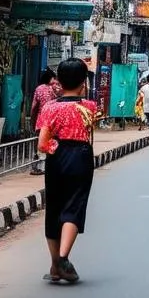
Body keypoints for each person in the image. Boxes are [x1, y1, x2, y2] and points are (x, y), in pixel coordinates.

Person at [36, 58, 97, 284]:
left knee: (54, 208)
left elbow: (42, 144)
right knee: (74, 205)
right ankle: (62, 259)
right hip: (81, 156)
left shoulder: (50, 108)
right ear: (83, 82)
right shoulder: (89, 107)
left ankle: (55, 265)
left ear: (58, 82)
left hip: (56, 157)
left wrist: (57, 149)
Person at [29, 68, 58, 175]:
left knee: (39, 144)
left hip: (41, 121)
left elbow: (34, 107)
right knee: (52, 143)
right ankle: (49, 166)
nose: (55, 80)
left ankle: (39, 167)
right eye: (53, 78)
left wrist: (32, 121)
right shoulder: (55, 89)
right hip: (54, 121)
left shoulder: (39, 89)